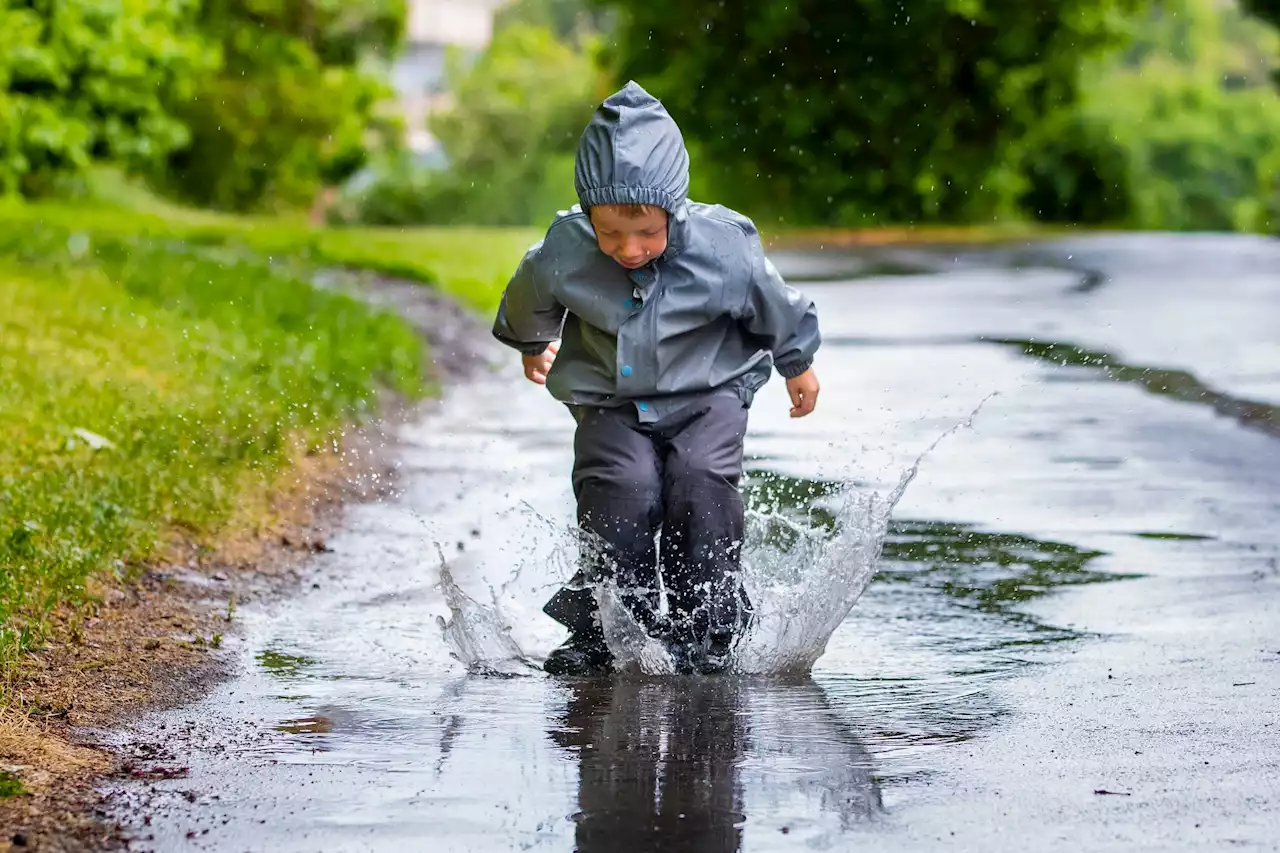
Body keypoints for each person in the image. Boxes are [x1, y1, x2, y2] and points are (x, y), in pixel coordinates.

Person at [492, 81, 821, 676]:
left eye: (647, 231)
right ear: (587, 211)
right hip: (611, 403)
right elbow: (529, 292)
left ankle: (709, 629)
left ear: (674, 207)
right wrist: (532, 341)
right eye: (610, 232)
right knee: (621, 491)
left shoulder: (723, 245)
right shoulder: (567, 246)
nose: (629, 248)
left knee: (699, 485)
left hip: (709, 396)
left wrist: (797, 361)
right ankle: (609, 629)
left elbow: (774, 300)